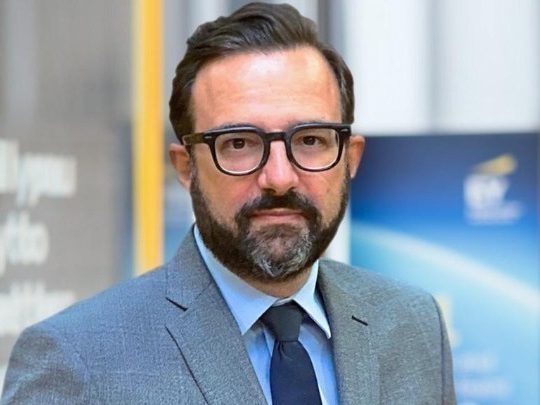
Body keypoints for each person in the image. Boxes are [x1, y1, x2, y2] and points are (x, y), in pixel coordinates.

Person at [1, 2, 455, 404]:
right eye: (239, 143)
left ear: (350, 158)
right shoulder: (78, 361)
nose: (279, 177)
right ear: (185, 167)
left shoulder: (412, 325)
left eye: (311, 140)